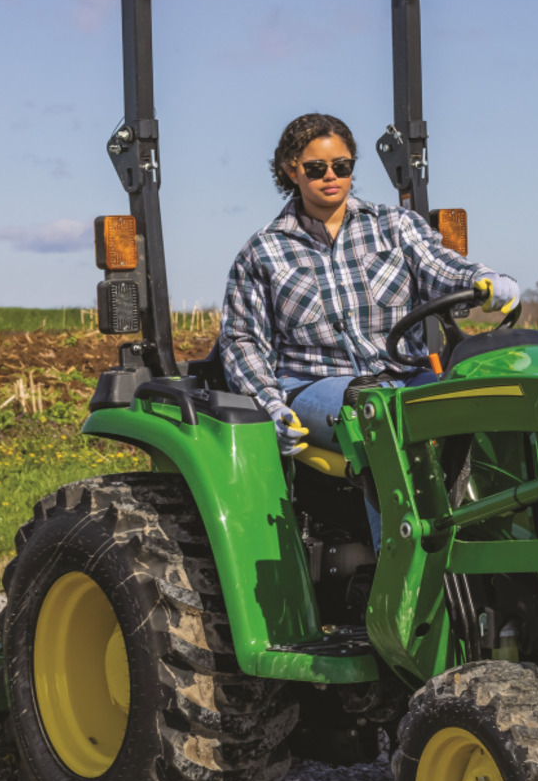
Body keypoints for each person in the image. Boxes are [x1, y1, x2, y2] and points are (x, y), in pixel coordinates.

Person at [218, 112, 519, 538]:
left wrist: (480, 280)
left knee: (478, 406)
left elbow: (439, 266)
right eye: (316, 168)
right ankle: (399, 574)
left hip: (405, 377)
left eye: (342, 166)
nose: (331, 177)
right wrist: (271, 405)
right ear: (291, 170)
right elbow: (242, 338)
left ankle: (485, 547)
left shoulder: (393, 226)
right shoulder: (263, 251)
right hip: (318, 386)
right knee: (376, 412)